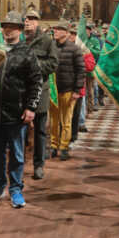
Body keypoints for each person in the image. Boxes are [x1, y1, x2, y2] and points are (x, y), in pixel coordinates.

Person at [0, 11, 42, 208]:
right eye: (5, 27)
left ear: (20, 30)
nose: (8, 30)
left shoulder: (27, 52)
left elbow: (36, 82)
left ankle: (16, 188)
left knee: (17, 154)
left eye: (12, 27)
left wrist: (31, 107)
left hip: (16, 113)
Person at [23, 8, 59, 180]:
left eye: (32, 18)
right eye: (25, 18)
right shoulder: (19, 38)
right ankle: (18, 164)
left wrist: (34, 66)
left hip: (39, 91)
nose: (27, 21)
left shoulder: (46, 41)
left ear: (37, 22)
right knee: (19, 131)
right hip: (19, 91)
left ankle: (38, 165)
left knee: (39, 131)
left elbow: (53, 64)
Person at [49, 20, 85, 161]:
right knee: (53, 120)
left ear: (66, 32)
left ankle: (64, 147)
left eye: (58, 29)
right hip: (53, 90)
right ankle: (53, 146)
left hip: (68, 90)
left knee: (66, 121)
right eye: (55, 29)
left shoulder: (74, 49)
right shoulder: (51, 46)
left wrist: (77, 90)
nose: (55, 31)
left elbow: (81, 70)